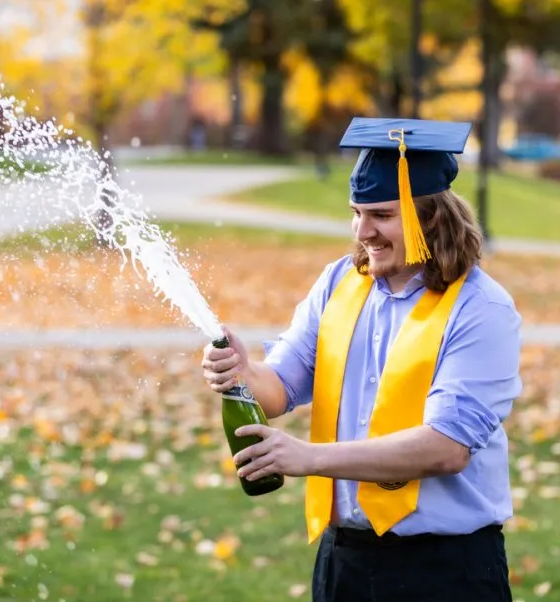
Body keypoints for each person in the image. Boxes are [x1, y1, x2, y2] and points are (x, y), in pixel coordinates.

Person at [201, 117, 523, 602]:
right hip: (344, 564)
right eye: (356, 213)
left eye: (381, 215)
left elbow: (446, 448)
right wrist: (242, 373)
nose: (362, 230)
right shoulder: (338, 283)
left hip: (446, 571)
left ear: (430, 217)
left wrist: (310, 458)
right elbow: (278, 389)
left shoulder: (480, 308)